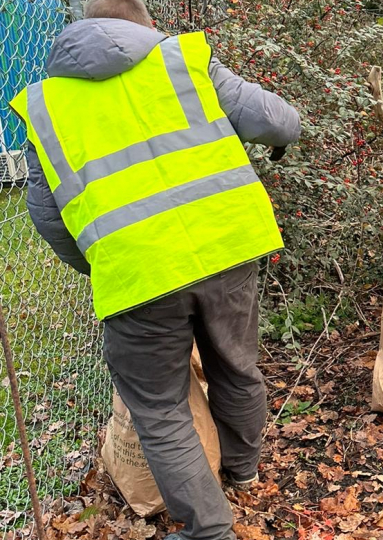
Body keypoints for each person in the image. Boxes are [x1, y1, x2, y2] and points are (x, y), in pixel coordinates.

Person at [10, 0, 301, 539]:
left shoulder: (44, 105)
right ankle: (242, 470)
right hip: (228, 244)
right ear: (144, 23)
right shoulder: (182, 59)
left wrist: (102, 260)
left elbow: (47, 215)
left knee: (161, 409)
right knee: (236, 367)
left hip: (138, 273)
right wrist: (278, 145)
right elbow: (280, 121)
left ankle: (209, 529)